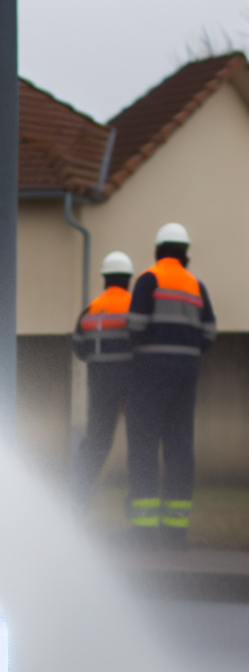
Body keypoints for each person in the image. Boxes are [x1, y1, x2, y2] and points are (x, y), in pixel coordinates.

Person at [125, 223, 216, 549]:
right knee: (180, 446)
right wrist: (186, 354)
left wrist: (143, 353)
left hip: (151, 369)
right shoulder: (196, 286)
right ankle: (176, 531)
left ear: (158, 250)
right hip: (187, 371)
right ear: (185, 253)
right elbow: (209, 332)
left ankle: (144, 529)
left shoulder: (149, 279)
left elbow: (134, 326)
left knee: (143, 443)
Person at [72, 251, 134, 508]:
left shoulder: (91, 309)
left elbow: (80, 348)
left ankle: (78, 497)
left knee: (96, 443)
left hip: (100, 386)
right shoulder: (135, 306)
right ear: (128, 278)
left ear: (105, 279)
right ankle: (137, 502)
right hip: (132, 387)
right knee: (139, 445)